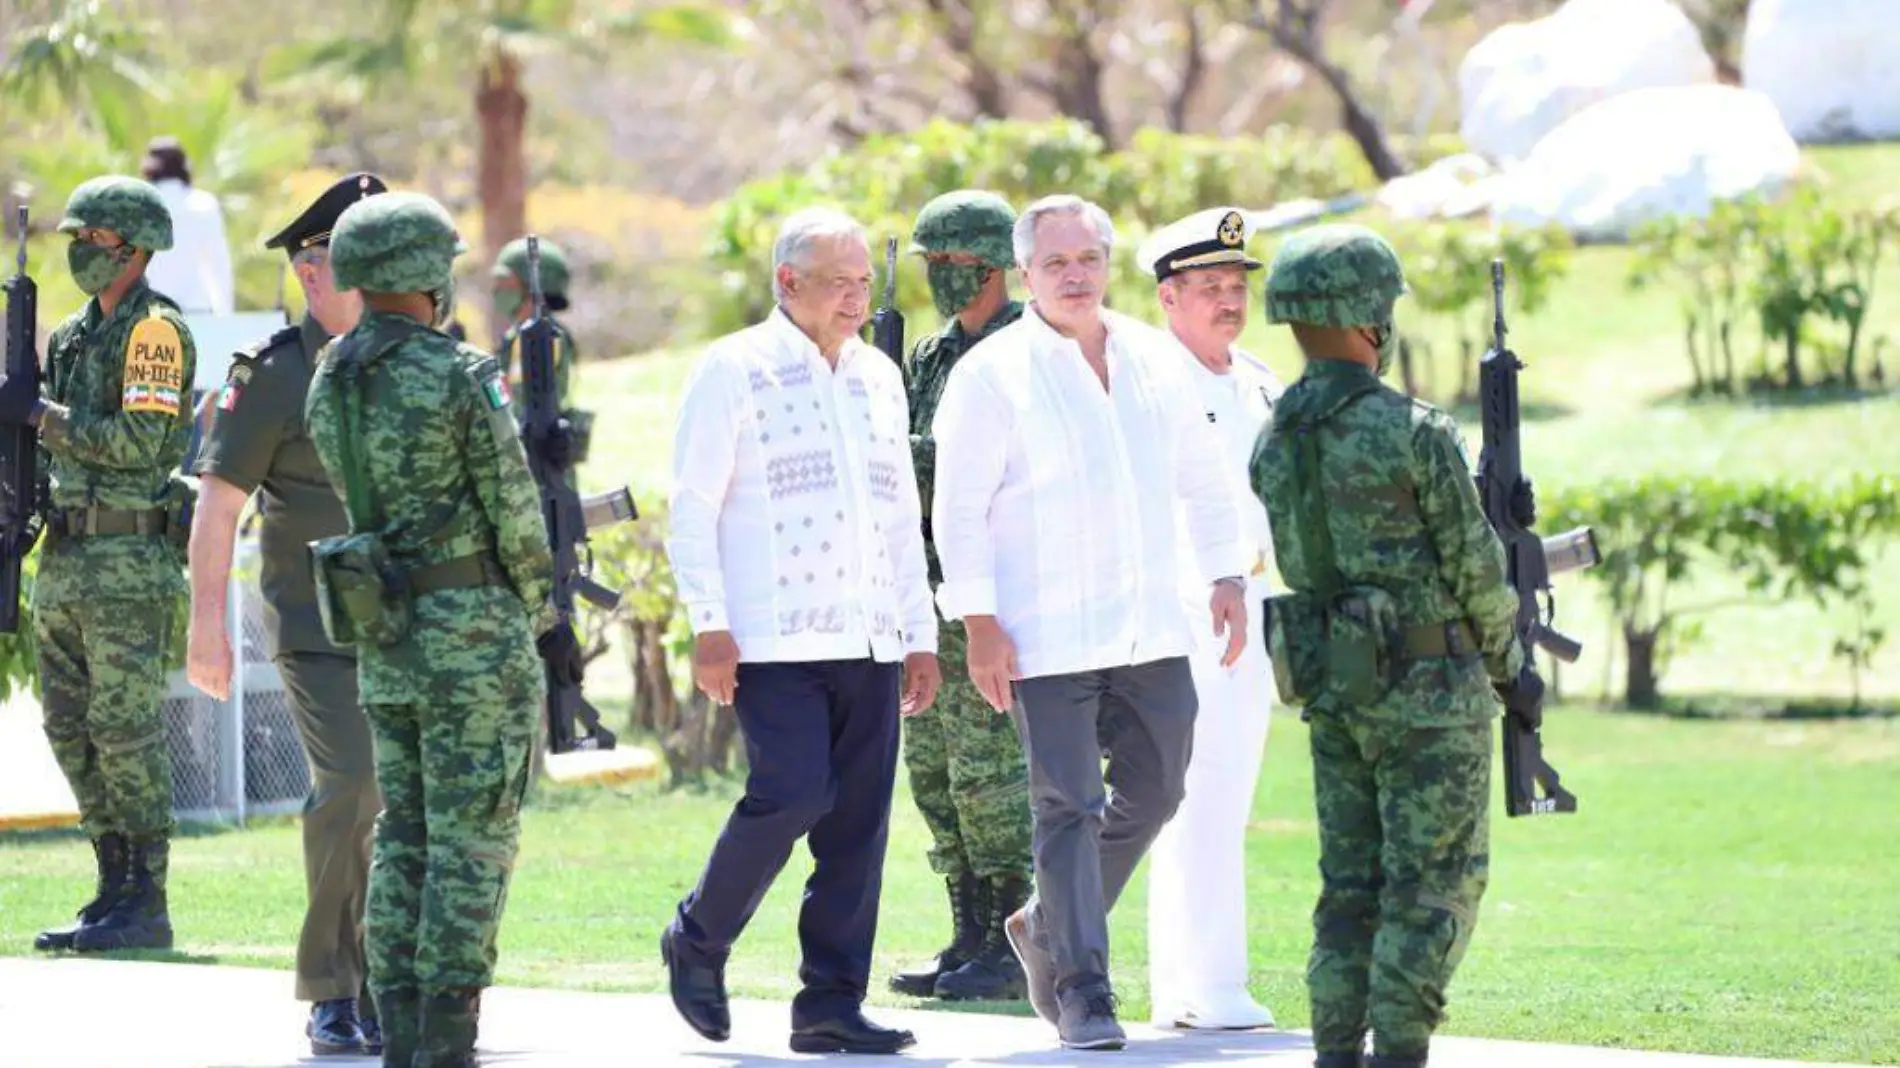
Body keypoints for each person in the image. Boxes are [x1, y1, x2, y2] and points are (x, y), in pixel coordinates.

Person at [929, 193, 1248, 1052]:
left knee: (1160, 786)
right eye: (1056, 263)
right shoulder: (991, 374)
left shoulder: (1153, 358)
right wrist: (979, 622)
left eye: (1088, 261)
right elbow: (958, 510)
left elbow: (1203, 476)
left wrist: (1226, 571)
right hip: (1046, 634)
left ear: (1108, 266)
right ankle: (1083, 989)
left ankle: (1044, 924)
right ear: (1025, 274)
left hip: (1149, 628)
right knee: (1065, 806)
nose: (1075, 276)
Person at [1246, 223, 1541, 1068]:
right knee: (1434, 887)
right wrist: (1513, 669)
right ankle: (1400, 1054)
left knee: (1350, 891)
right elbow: (1478, 568)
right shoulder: (1410, 429)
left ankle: (1337, 1053)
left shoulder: (1276, 434)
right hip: (1430, 695)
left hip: (1337, 688)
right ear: (1369, 316)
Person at [304, 190, 584, 1068]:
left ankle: (402, 1032)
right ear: (426, 275)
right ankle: (446, 1041)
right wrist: (549, 617)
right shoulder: (456, 374)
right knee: (474, 836)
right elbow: (511, 511)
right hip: (472, 637)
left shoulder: (331, 376)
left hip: (385, 633)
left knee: (406, 836)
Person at [660, 206, 941, 1056]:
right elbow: (693, 505)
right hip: (772, 642)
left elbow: (899, 514)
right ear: (789, 282)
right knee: (793, 793)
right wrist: (709, 626)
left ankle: (829, 1004)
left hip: (869, 639)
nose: (858, 297)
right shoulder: (734, 369)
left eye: (864, 281)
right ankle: (698, 939)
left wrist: (918, 632)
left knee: (857, 822)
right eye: (839, 281)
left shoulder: (877, 377)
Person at [186, 171, 389, 1056]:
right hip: (316, 630)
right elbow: (219, 505)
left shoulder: (416, 359)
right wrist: (205, 625)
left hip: (417, 626)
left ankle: (398, 979)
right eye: (360, 267)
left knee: (408, 800)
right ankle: (333, 988)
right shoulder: (274, 375)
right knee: (351, 785)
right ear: (312, 273)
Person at [5, 175, 196, 953]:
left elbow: (137, 444)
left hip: (127, 560)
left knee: (125, 729)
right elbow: (42, 447)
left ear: (136, 249)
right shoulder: (72, 336)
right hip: (68, 556)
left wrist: (37, 414)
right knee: (70, 726)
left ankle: (147, 897)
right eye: (76, 239)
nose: (81, 252)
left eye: (95, 242)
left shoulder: (153, 332)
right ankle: (111, 882)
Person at [1135, 206, 1284, 1032]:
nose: (1229, 300)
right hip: (1181, 608)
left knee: (1226, 793)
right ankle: (1201, 985)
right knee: (1191, 793)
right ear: (1168, 297)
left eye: (1236, 285)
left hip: (1253, 605)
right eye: (1209, 287)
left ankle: (1200, 983)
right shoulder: (1150, 381)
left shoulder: (1258, 377)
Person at [886, 190, 1032, 1004]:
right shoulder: (931, 355)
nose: (942, 277)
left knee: (992, 778)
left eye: (953, 263)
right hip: (929, 590)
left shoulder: (1025, 349)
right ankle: (969, 931)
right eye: (932, 264)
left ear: (991, 264)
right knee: (936, 772)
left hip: (993, 593)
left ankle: (1012, 944)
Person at [139, 136, 234, 314]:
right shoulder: (204, 204)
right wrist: (226, 312)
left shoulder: (139, 206)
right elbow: (218, 264)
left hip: (150, 311)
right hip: (196, 308)